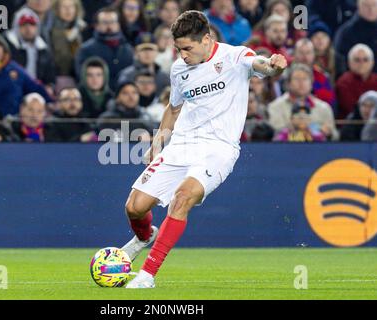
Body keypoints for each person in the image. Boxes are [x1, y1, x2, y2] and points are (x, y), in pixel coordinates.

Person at [122, 10, 287, 288]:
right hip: (182, 145)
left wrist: (275, 66)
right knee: (134, 208)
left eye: (187, 48)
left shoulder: (235, 57)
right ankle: (143, 237)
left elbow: (262, 65)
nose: (183, 55)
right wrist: (158, 142)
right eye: (178, 49)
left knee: (182, 197)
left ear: (207, 40)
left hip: (218, 149)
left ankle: (147, 275)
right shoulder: (178, 69)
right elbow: (173, 109)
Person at [0, 30, 52, 116]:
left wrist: (51, 101)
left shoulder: (15, 69)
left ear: (4, 49)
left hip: (14, 120)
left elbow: (35, 86)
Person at [268, 63, 339, 141]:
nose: (301, 82)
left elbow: (335, 136)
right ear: (288, 83)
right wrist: (294, 127)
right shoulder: (274, 107)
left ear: (311, 84)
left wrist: (328, 133)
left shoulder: (324, 108)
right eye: (297, 79)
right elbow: (273, 134)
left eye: (305, 79)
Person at [74, 7, 134, 90]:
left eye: (112, 22)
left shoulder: (128, 50)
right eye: (105, 22)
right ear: (97, 26)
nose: (109, 26)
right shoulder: (86, 50)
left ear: (118, 25)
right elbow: (82, 75)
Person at [4, 7, 56, 96]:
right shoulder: (8, 48)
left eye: (32, 25)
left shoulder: (43, 49)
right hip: (14, 89)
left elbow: (50, 75)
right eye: (23, 25)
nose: (28, 29)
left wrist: (49, 86)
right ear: (16, 27)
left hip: (37, 90)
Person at [335, 43, 377, 119]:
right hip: (351, 124)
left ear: (372, 62)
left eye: (366, 60)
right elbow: (349, 108)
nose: (362, 63)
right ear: (349, 62)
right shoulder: (343, 82)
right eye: (357, 60)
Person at [334, 0, 377, 73]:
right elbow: (340, 61)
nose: (371, 9)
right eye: (366, 6)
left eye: (374, 5)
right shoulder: (346, 32)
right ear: (358, 6)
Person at [293, 38, 336, 108]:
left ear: (314, 55)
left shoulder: (323, 77)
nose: (305, 56)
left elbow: (332, 103)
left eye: (308, 52)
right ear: (294, 54)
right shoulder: (285, 76)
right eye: (301, 52)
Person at [51, 0, 86, 77]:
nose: (68, 10)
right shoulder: (51, 30)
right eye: (64, 7)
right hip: (60, 76)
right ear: (57, 9)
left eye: (71, 6)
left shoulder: (82, 28)